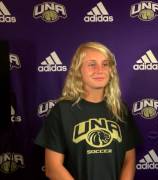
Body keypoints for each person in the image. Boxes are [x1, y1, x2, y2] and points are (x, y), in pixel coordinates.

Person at [35, 42, 140, 180]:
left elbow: (129, 160)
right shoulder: (62, 110)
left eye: (105, 64)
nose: (99, 70)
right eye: (92, 64)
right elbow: (53, 168)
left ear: (111, 70)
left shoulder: (121, 110)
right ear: (78, 70)